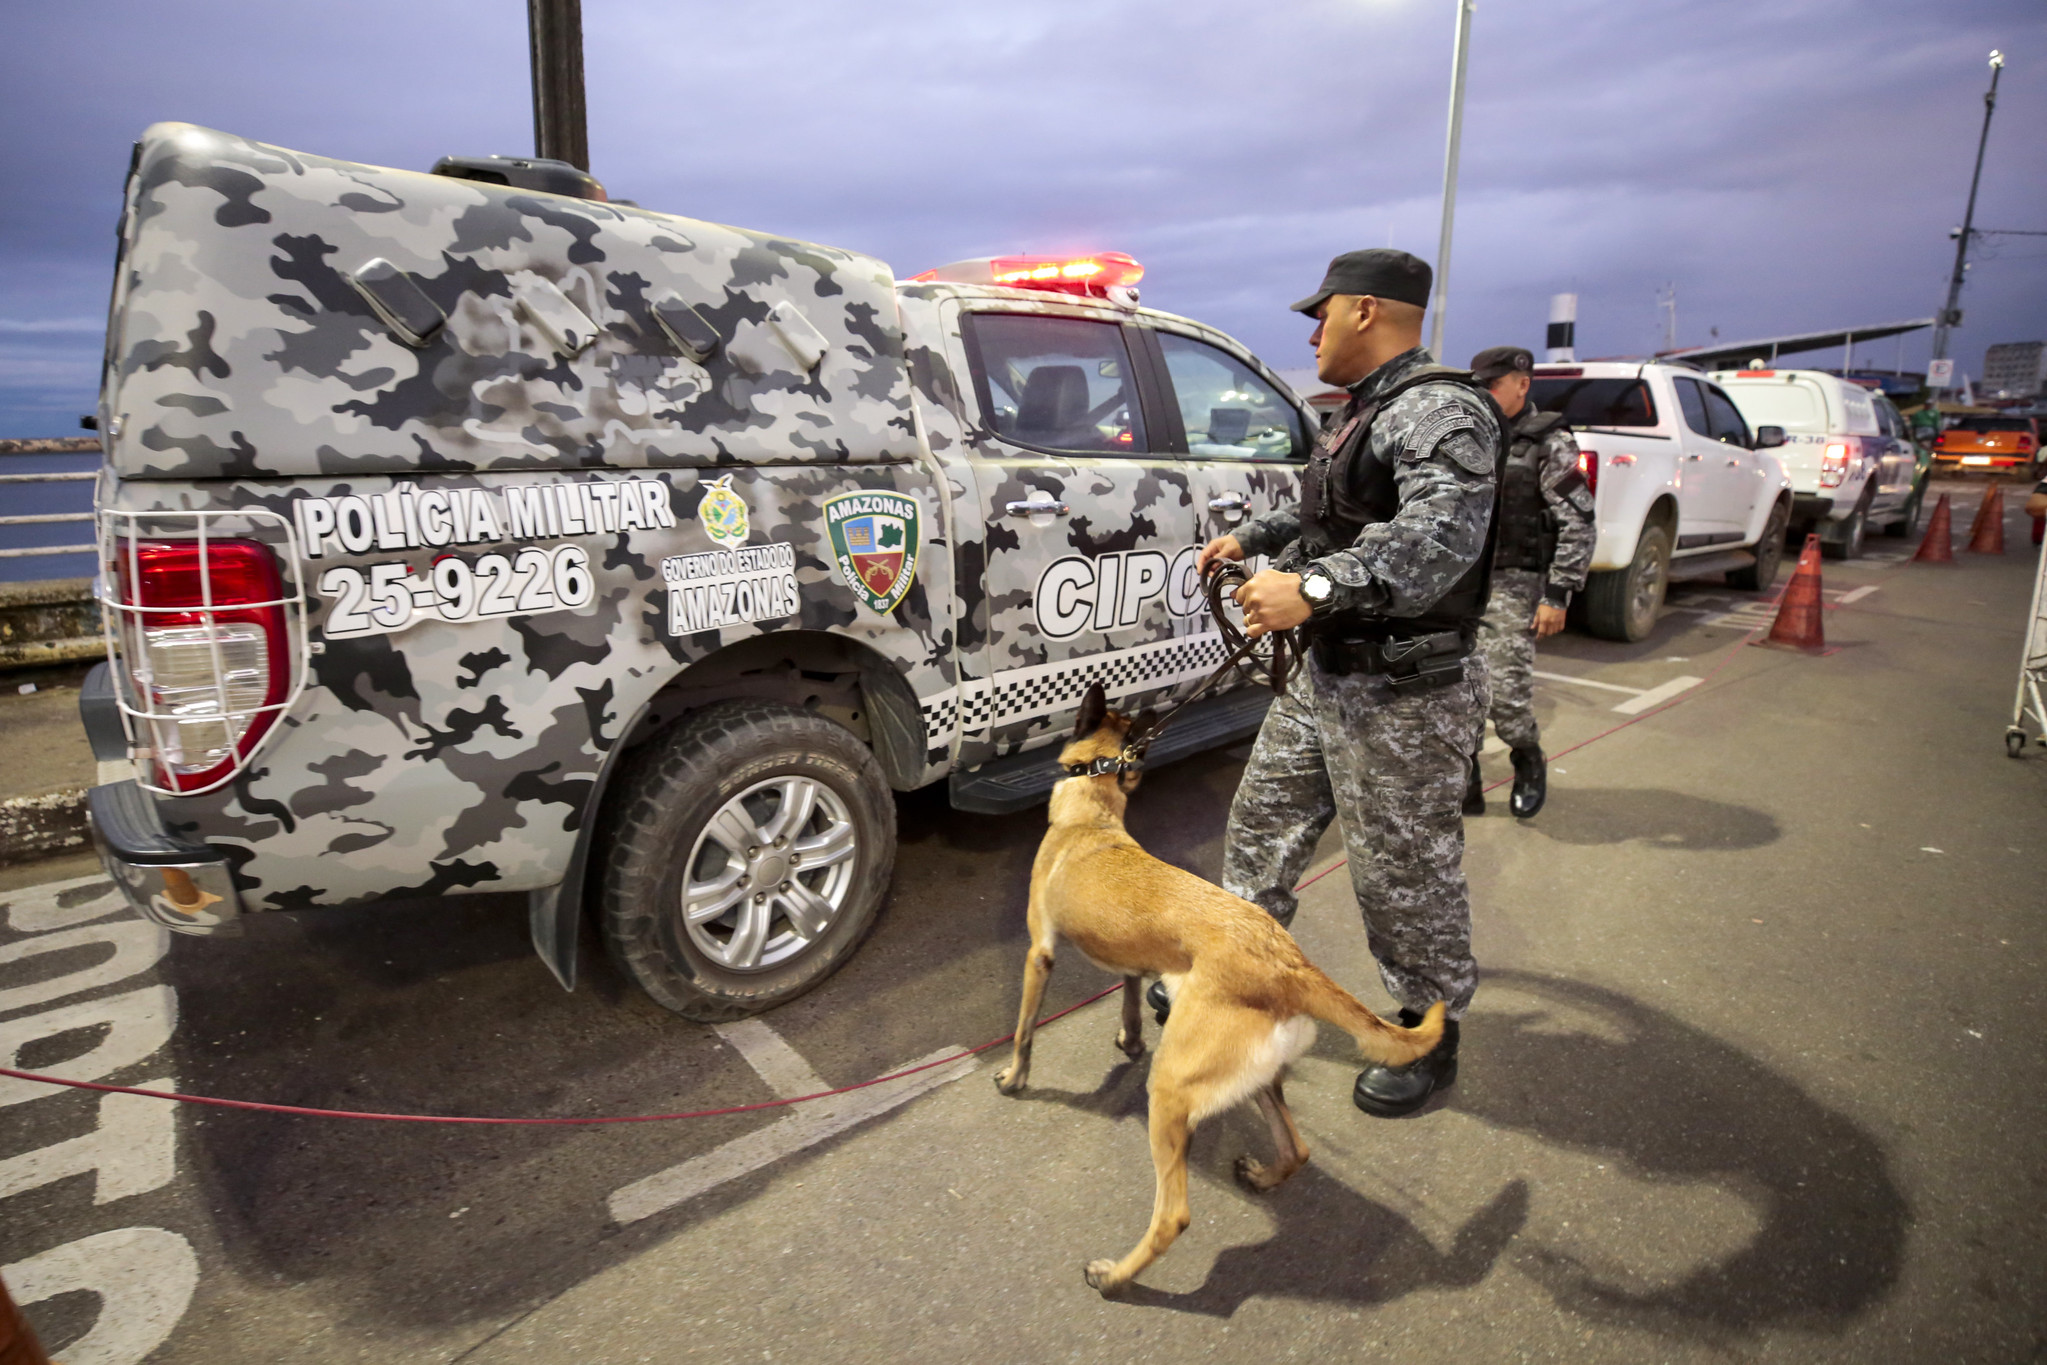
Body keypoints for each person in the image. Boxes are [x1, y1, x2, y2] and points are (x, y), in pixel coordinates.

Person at [1185, 248, 1504, 1118]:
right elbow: (1333, 515)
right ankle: (1235, 985)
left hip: (1405, 689)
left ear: (1365, 310)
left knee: (1403, 873)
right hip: (1327, 675)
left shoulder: (1439, 409)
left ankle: (1426, 1031)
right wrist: (1258, 543)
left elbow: (1441, 537)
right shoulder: (1366, 412)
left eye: (1319, 314)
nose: (1313, 331)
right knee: (1260, 831)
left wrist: (1312, 588)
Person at [1461, 345, 1595, 819]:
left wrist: (1559, 593)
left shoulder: (1549, 441)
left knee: (1505, 690)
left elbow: (1578, 522)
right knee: (1455, 689)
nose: (1487, 398)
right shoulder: (1468, 435)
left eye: (1494, 388)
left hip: (1514, 584)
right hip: (1459, 585)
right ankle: (1467, 780)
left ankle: (1527, 757)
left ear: (1522, 384)